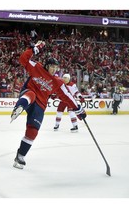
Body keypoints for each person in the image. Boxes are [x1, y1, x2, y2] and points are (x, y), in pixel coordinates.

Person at [10, 41, 87, 169]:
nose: (54, 69)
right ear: (47, 65)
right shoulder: (36, 67)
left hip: (40, 106)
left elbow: (66, 96)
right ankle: (19, 107)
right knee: (31, 95)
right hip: (28, 94)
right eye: (52, 66)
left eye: (56, 68)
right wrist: (35, 49)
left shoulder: (57, 81)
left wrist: (78, 108)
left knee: (33, 131)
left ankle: (20, 156)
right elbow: (23, 59)